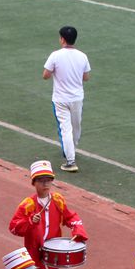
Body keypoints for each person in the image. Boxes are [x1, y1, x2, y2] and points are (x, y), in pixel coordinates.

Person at [43, 26, 90, 173]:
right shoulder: (82, 56)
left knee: (65, 128)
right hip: (77, 98)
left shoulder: (55, 55)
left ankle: (70, 160)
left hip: (60, 98)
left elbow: (45, 75)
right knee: (76, 126)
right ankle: (72, 150)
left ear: (62, 39)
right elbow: (86, 77)